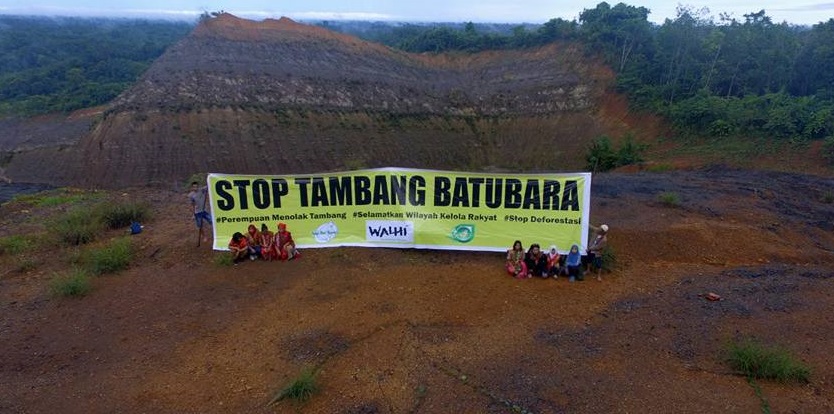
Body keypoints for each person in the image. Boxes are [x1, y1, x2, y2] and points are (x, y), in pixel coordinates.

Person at [188, 181, 212, 247]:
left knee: (212, 221)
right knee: (200, 225)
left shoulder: (202, 190)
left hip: (204, 210)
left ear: (198, 186)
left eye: (196, 186)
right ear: (192, 187)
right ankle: (204, 236)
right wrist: (193, 214)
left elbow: (208, 185)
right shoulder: (191, 195)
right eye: (194, 187)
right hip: (197, 212)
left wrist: (209, 177)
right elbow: (192, 205)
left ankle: (215, 234)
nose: (195, 188)